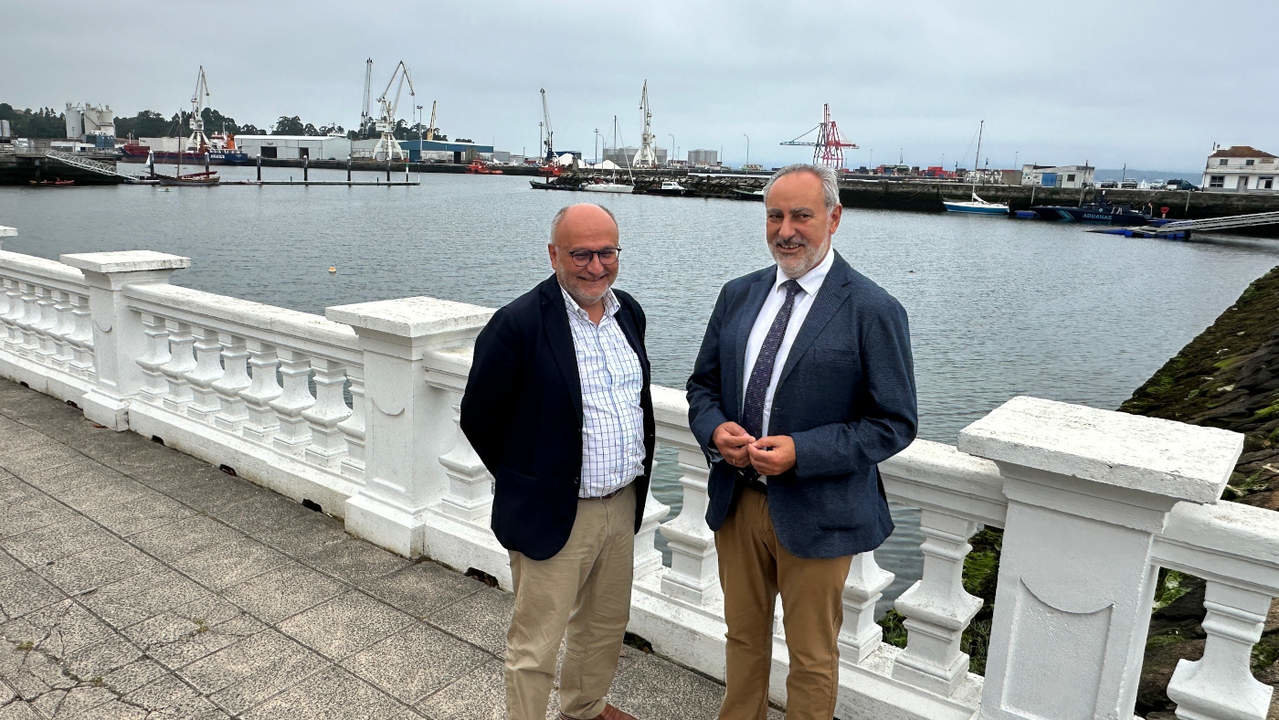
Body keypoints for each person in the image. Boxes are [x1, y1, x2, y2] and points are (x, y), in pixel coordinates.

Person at [686, 164, 917, 719]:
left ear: (834, 218)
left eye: (801, 215)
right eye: (775, 215)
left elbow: (894, 423)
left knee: (812, 657)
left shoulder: (873, 310)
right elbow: (702, 387)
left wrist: (803, 451)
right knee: (742, 639)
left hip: (820, 512)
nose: (785, 230)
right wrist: (716, 429)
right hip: (738, 503)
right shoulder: (737, 295)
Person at [460, 203, 653, 720]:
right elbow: (478, 417)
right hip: (555, 509)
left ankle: (585, 709)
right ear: (553, 255)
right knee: (536, 643)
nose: (596, 267)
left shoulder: (627, 312)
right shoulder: (518, 324)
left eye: (606, 252)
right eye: (581, 254)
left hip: (621, 502)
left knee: (605, 624)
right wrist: (530, 480)